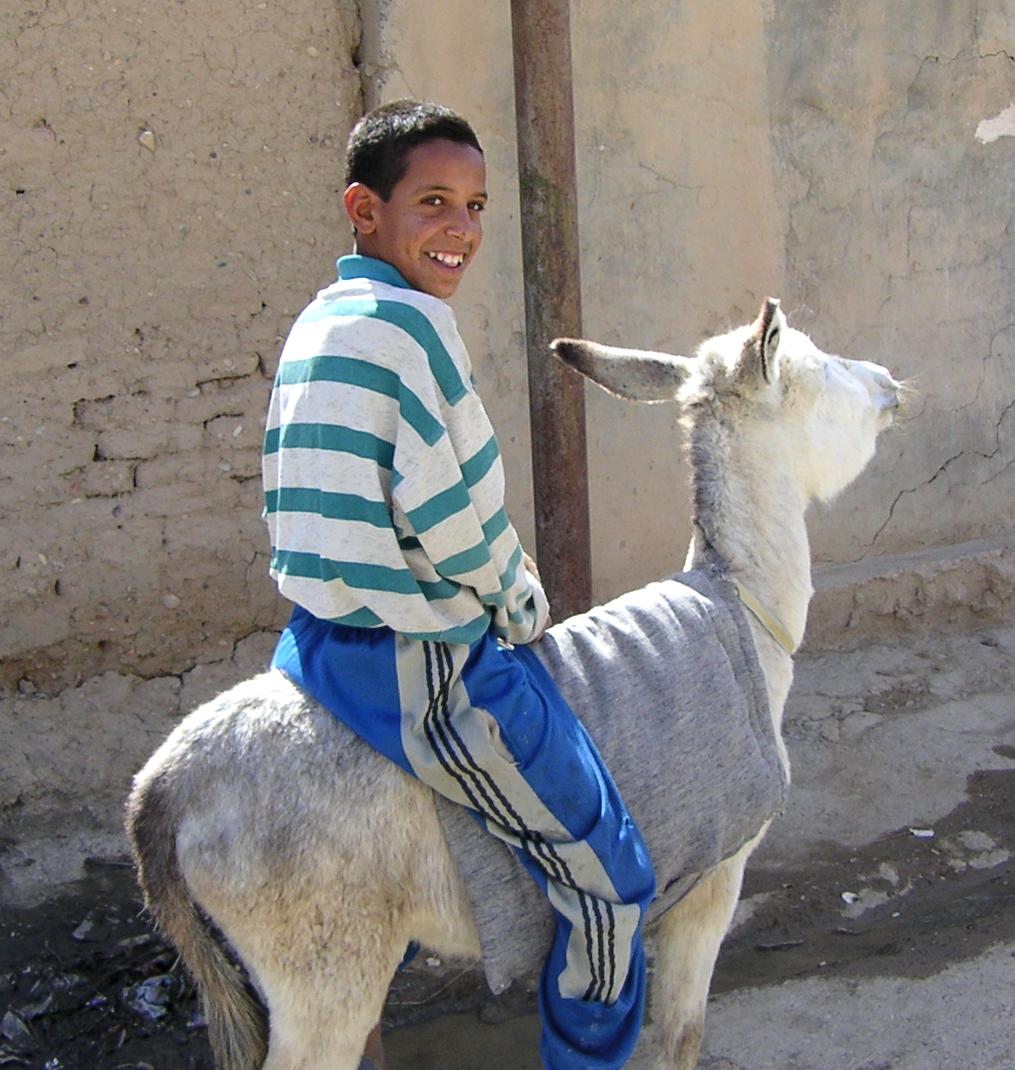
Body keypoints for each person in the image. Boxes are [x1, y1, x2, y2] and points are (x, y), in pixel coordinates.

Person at [262, 99, 655, 1070]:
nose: (461, 230)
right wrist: (521, 600)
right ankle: (591, 1057)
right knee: (613, 880)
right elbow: (457, 518)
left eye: (475, 206)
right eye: (433, 201)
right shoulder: (416, 332)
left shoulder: (323, 319)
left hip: (308, 639)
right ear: (365, 209)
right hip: (411, 660)